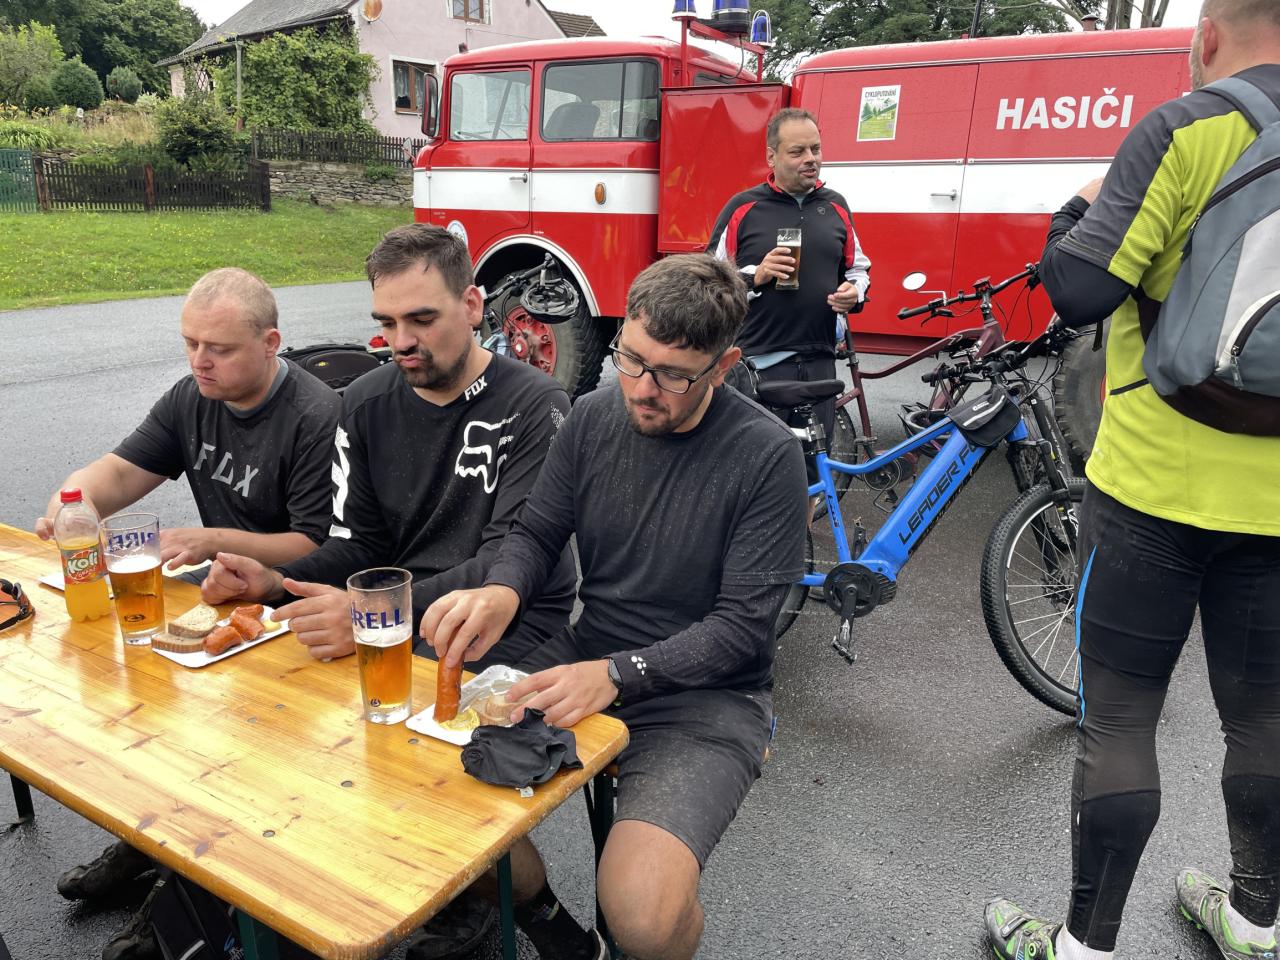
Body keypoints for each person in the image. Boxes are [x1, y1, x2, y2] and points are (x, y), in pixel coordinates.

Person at [985, 3, 1280, 959]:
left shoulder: (1185, 130)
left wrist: (1076, 209)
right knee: (1265, 720)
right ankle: (1255, 922)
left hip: (1151, 489)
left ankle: (1085, 947)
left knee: (1118, 718)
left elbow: (1077, 289)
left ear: (1208, 35)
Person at [199, 225, 576, 960]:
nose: (401, 341)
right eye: (387, 322)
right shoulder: (366, 400)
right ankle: (241, 894)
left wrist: (374, 615)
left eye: (422, 319)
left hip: (514, 620)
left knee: (424, 760)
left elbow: (511, 559)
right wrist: (274, 584)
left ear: (473, 306)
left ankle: (531, 911)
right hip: (397, 618)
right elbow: (361, 543)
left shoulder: (537, 405)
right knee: (266, 710)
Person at [423, 254, 808, 960]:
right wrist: (503, 589)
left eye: (672, 374)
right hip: (589, 655)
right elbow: (537, 532)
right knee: (427, 795)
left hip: (707, 697)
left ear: (724, 367)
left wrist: (617, 674)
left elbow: (742, 628)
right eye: (630, 359)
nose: (641, 389)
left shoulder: (767, 455)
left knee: (643, 916)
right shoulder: (592, 417)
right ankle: (559, 934)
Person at [34, 267, 341, 960]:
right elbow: (120, 471)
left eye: (219, 348)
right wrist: (70, 503)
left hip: (292, 610)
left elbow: (316, 547)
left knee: (228, 764)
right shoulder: (191, 397)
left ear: (270, 344)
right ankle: (146, 840)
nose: (200, 360)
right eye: (190, 343)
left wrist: (211, 540)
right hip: (219, 598)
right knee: (142, 708)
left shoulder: (315, 414)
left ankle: (178, 902)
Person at [706, 106, 871, 442]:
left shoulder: (836, 206)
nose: (811, 159)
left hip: (820, 362)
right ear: (772, 157)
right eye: (797, 152)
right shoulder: (743, 208)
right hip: (759, 363)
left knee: (814, 464)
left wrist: (855, 292)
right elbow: (707, 282)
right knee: (759, 461)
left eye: (816, 149)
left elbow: (858, 269)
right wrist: (756, 275)